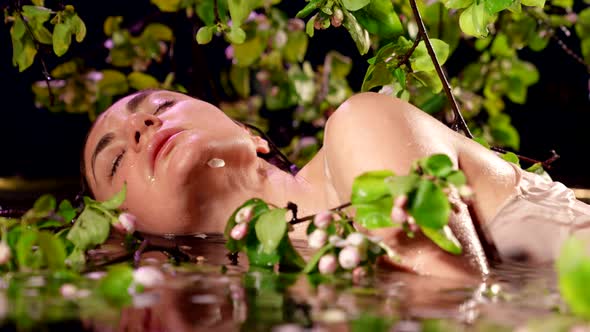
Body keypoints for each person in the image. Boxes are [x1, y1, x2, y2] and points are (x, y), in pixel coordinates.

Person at [82, 89, 590, 280]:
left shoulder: (357, 125)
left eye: (161, 107)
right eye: (116, 160)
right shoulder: (278, 284)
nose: (140, 129)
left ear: (251, 136)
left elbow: (453, 286)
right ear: (133, 225)